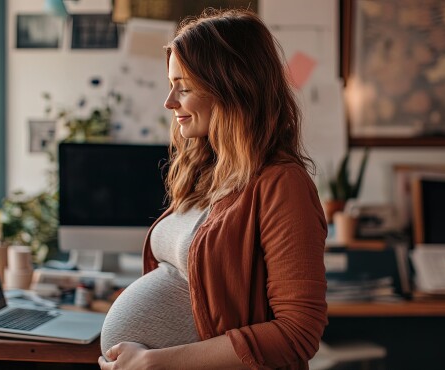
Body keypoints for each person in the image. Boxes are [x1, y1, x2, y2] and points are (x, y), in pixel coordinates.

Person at [98, 8, 328, 370]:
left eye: (184, 87)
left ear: (231, 88)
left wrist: (156, 362)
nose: (169, 102)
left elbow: (298, 332)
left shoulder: (282, 185)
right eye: (171, 84)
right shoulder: (206, 173)